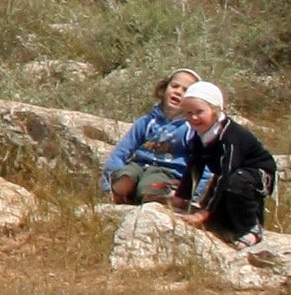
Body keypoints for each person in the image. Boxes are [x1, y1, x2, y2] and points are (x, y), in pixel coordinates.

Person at [173, 81, 276, 250]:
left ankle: (252, 228)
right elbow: (195, 166)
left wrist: (205, 211)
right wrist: (181, 197)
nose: (193, 118)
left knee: (236, 182)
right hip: (229, 175)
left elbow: (226, 172)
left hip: (257, 175)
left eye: (199, 112)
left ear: (215, 110)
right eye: (188, 113)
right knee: (217, 220)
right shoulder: (201, 135)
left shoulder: (230, 136)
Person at [102, 68, 210, 204]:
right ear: (164, 88)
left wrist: (194, 195)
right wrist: (108, 184)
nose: (178, 92)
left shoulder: (191, 130)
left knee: (150, 188)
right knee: (125, 179)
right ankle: (128, 195)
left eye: (185, 91)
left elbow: (203, 165)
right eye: (174, 86)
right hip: (138, 167)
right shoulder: (147, 121)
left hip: (166, 172)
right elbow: (122, 151)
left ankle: (152, 196)